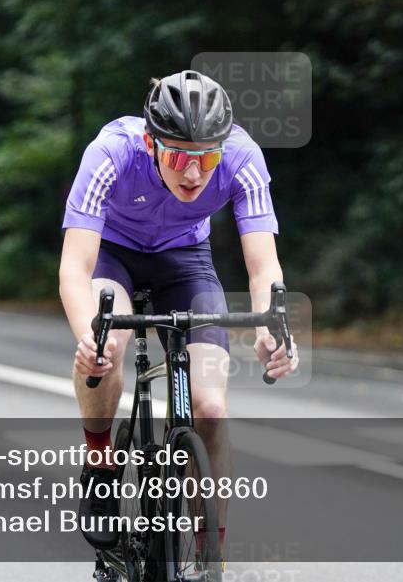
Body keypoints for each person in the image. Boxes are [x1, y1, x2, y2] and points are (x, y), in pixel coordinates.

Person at [59, 70, 299, 556]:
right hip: (114, 256)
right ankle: (101, 462)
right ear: (151, 143)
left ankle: (212, 552)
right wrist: (90, 337)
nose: (194, 174)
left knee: (210, 408)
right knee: (108, 342)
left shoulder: (243, 157)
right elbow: (74, 269)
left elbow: (263, 267)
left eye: (207, 158)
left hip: (185, 263)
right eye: (179, 158)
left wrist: (274, 327)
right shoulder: (110, 152)